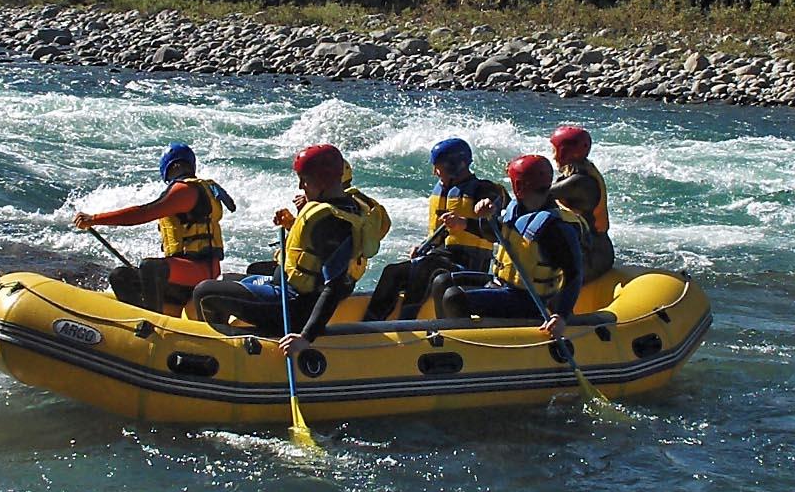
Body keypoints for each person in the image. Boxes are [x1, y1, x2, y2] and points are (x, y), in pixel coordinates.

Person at [192, 144, 388, 357]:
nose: (300, 185)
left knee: (205, 292)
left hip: (293, 307)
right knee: (226, 278)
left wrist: (305, 337)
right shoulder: (347, 205)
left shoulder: (332, 222)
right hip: (285, 288)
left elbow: (335, 285)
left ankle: (214, 355)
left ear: (322, 180)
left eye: (305, 179)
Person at [430, 154, 586, 341]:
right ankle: (445, 338)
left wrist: (562, 315)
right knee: (441, 281)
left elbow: (574, 274)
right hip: (502, 285)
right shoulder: (518, 208)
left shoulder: (556, 229)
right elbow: (498, 232)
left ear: (520, 186)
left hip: (529, 301)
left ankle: (465, 344)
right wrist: (469, 221)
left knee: (454, 297)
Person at [72, 142, 234, 314]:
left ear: (169, 166)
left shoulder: (185, 190)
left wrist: (94, 219)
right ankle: (136, 321)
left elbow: (142, 214)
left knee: (150, 267)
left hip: (200, 272)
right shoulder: (194, 189)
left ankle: (151, 323)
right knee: (120, 276)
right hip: (179, 275)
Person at [364, 137, 506, 320]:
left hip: (469, 266)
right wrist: (424, 246)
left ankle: (407, 321)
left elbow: (499, 230)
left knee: (426, 267)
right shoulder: (442, 191)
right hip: (439, 259)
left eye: (438, 167)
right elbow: (438, 236)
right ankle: (370, 323)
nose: (434, 172)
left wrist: (468, 221)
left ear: (454, 166)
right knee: (393, 271)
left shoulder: (485, 190)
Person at [548, 124, 614, 281]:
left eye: (554, 150)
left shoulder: (579, 183)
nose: (553, 156)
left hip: (594, 255)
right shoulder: (580, 173)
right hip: (588, 249)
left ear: (564, 153)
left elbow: (539, 195)